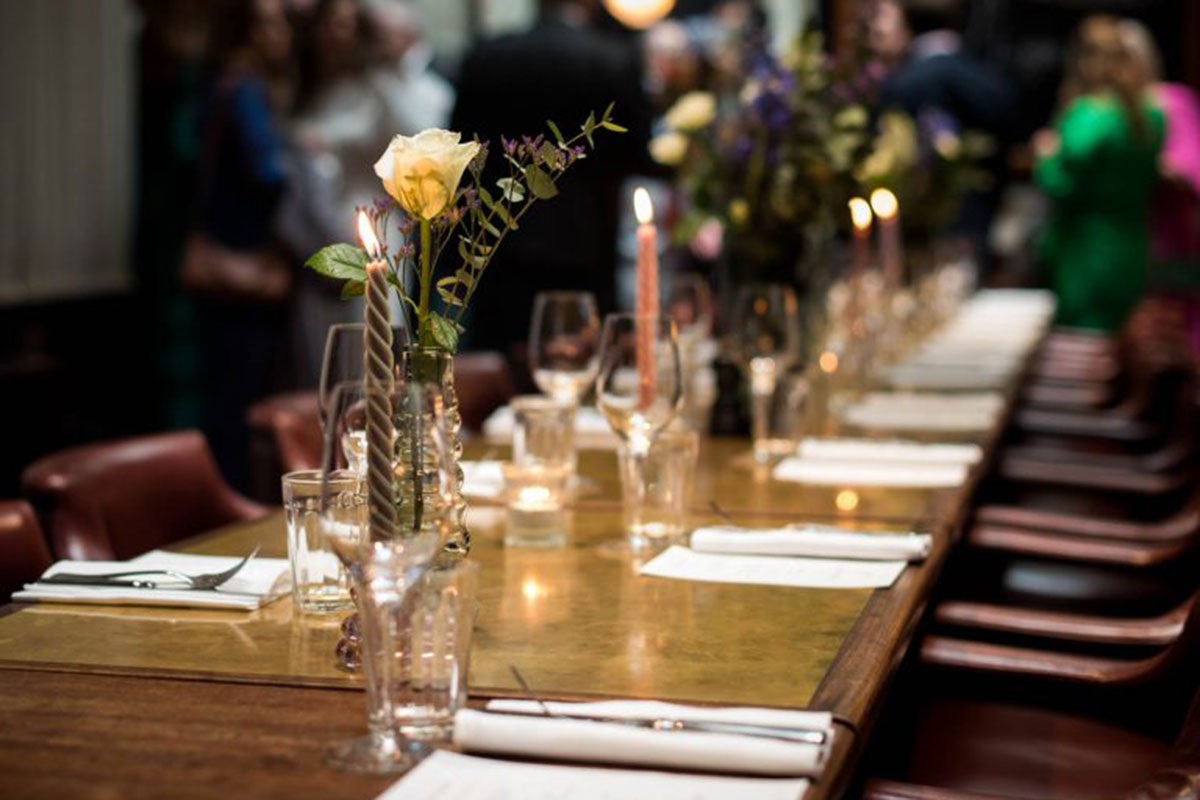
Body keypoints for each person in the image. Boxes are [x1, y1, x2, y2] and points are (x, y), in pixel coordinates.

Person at [449, 0, 653, 371]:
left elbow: (459, 157)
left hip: (498, 248)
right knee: (583, 366)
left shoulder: (488, 54)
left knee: (501, 379)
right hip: (585, 248)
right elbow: (637, 154)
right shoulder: (612, 58)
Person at [193, 0, 294, 488]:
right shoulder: (245, 89)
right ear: (247, 31)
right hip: (245, 264)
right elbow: (268, 173)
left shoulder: (218, 85)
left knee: (228, 396)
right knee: (241, 400)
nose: (284, 34)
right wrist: (303, 152)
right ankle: (236, 497)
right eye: (273, 24)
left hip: (230, 260)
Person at [1034, 15, 1165, 333]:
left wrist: (1044, 157)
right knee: (1114, 343)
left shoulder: (1090, 115)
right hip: (1131, 245)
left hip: (1086, 252)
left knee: (1084, 344)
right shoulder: (1151, 113)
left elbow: (1061, 183)